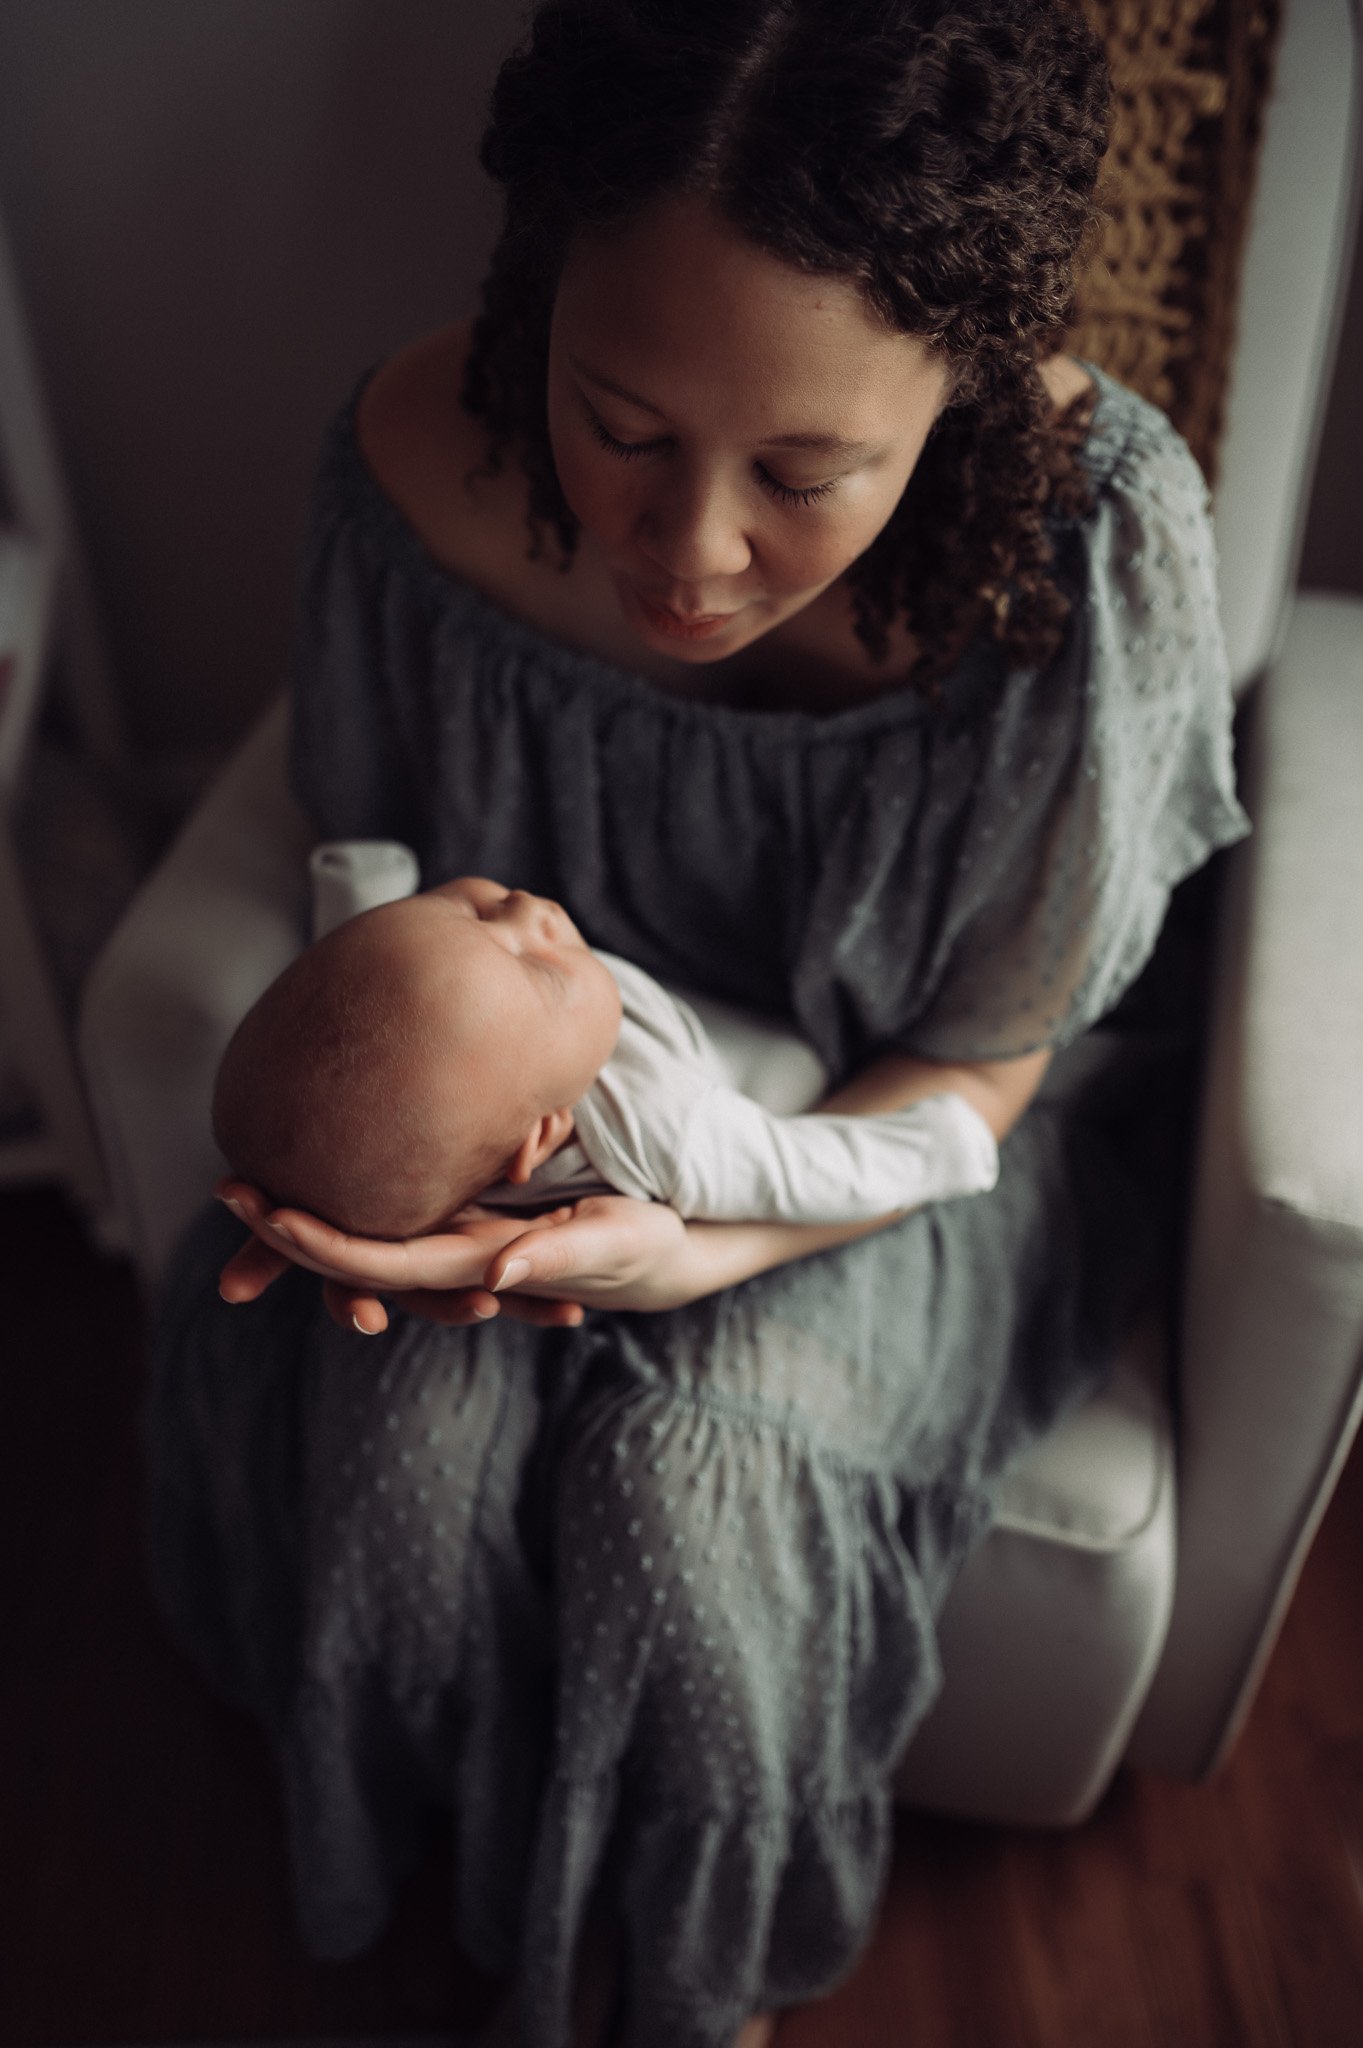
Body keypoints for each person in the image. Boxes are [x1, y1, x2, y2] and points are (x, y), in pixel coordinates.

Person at [149, 3, 1250, 2044]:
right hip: (527, 1099)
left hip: (914, 1119)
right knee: (400, 1431)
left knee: (699, 1489)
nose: (691, 549)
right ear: (538, 287)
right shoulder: (413, 469)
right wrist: (406, 1161)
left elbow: (987, 1058)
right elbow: (375, 891)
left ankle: (681, 1974)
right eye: (622, 422)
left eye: (809, 471)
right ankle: (426, 1874)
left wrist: (705, 1243)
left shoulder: (1091, 558)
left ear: (964, 398)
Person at [211, 861, 1001, 1248]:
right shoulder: (658, 1126)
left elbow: (373, 1008)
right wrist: (944, 1143)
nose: (528, 912)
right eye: (532, 967)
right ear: (546, 1136)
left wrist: (362, 883)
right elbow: (801, 1170)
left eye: (470, 910)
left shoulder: (461, 1051)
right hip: (774, 1078)